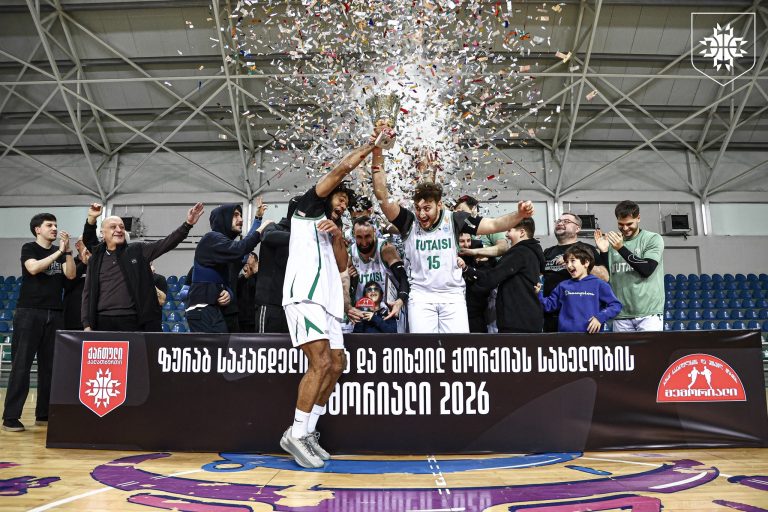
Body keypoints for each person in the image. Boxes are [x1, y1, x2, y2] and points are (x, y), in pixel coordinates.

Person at [280, 133, 387, 469]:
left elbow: (343, 266)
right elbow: (341, 169)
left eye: (345, 203)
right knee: (320, 363)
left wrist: (339, 235)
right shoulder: (308, 209)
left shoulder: (333, 228)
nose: (343, 205)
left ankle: (308, 431)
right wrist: (372, 146)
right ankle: (295, 433)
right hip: (304, 296)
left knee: (337, 364)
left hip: (327, 304)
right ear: (327, 197)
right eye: (340, 199)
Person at [370, 143, 535, 333]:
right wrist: (377, 152)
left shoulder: (455, 219)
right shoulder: (409, 221)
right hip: (421, 296)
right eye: (418, 208)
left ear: (439, 204)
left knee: (457, 348)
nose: (421, 214)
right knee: (425, 349)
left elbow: (494, 224)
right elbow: (382, 196)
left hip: (452, 295)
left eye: (427, 208)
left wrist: (519, 215)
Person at [2, 213, 76, 432]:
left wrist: (67, 252)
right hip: (29, 312)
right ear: (37, 229)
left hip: (55, 313)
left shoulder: (60, 252)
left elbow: (70, 275)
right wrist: (59, 252)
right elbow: (33, 268)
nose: (54, 228)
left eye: (56, 225)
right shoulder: (29, 248)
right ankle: (10, 417)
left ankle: (43, 414)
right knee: (21, 366)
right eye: (49, 225)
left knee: (50, 367)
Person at [82, 203, 205, 332]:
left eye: (122, 227)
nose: (119, 230)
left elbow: (166, 243)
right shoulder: (97, 256)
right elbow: (87, 292)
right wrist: (86, 324)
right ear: (103, 233)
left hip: (132, 321)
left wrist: (187, 224)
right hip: (101, 321)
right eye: (113, 227)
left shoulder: (137, 250)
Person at [186, 203, 271, 333]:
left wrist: (228, 293)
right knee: (215, 347)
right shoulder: (211, 238)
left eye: (241, 215)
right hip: (203, 309)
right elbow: (241, 248)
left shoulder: (223, 250)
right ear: (223, 218)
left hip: (212, 310)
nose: (241, 219)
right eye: (235, 215)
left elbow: (227, 279)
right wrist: (260, 229)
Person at [594, 200, 664, 332]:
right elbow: (605, 277)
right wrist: (603, 252)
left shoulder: (653, 239)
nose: (625, 228)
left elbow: (647, 270)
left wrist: (621, 248)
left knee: (651, 347)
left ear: (638, 218)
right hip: (621, 313)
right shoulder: (611, 242)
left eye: (629, 224)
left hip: (648, 313)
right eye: (621, 224)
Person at [465, 218, 545, 333]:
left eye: (509, 230)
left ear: (522, 232)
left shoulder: (519, 252)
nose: (506, 235)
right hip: (527, 318)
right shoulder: (532, 252)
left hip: (517, 321)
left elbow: (494, 276)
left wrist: (471, 292)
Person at [542, 212, 608, 332]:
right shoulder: (547, 252)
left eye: (566, 221)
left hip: (579, 319)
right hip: (550, 315)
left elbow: (605, 277)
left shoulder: (586, 249)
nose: (560, 223)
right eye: (558, 221)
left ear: (577, 228)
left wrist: (576, 261)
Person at [538, 244, 622, 333]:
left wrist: (600, 318)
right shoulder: (563, 286)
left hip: (592, 337)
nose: (569, 265)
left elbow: (616, 305)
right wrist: (537, 293)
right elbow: (549, 305)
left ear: (586, 262)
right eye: (566, 262)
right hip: (565, 336)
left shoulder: (599, 284)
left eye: (572, 261)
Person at [346, 216, 408, 330]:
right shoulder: (351, 254)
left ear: (374, 232)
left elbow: (404, 278)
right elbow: (343, 288)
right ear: (354, 235)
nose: (364, 242)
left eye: (367, 236)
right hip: (362, 316)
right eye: (359, 237)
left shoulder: (386, 249)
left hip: (388, 314)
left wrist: (400, 301)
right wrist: (350, 279)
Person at [254, 197, 299, 334]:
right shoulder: (273, 227)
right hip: (271, 304)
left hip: (293, 305)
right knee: (265, 345)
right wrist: (301, 236)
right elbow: (267, 236)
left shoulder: (307, 239)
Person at [458, 233, 495, 333]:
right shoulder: (448, 253)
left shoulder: (478, 250)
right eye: (461, 241)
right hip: (453, 309)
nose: (466, 245)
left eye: (468, 240)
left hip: (476, 311)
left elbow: (486, 277)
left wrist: (467, 269)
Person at [454, 195, 508, 259]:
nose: (458, 216)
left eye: (462, 212)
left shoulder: (489, 226)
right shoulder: (454, 230)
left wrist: (476, 251)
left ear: (474, 212)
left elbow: (503, 248)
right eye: (456, 212)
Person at [236, 253, 259, 333]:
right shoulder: (240, 279)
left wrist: (255, 271)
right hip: (241, 319)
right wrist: (245, 277)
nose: (246, 264)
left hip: (255, 318)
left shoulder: (260, 278)